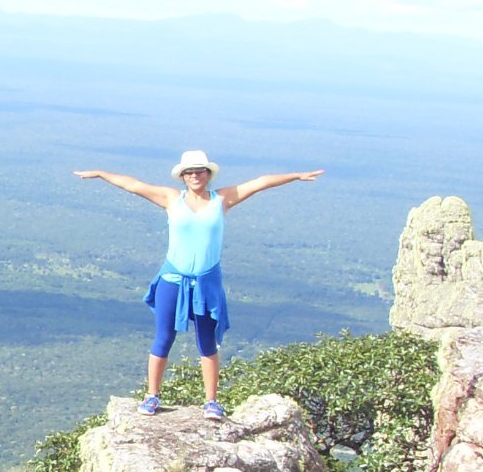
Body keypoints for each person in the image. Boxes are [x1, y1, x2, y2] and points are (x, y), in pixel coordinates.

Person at [72, 151, 323, 420]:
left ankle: (212, 401)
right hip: (173, 279)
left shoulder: (223, 199)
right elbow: (133, 185)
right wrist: (101, 174)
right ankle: (152, 395)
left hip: (206, 282)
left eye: (199, 171)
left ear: (208, 174)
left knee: (207, 341)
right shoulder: (171, 199)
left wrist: (296, 176)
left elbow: (261, 182)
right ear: (182, 176)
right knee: (163, 337)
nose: (194, 175)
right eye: (189, 171)